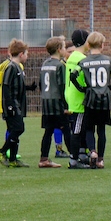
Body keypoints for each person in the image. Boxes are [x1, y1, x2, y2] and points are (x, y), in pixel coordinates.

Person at [70, 32, 111, 168]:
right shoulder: (107, 60)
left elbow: (73, 75)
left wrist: (82, 88)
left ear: (88, 45)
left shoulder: (83, 62)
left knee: (89, 128)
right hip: (104, 99)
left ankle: (92, 151)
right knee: (101, 130)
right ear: (102, 45)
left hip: (90, 98)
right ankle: (100, 159)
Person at [0, 39, 32, 168]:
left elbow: (17, 86)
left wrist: (29, 87)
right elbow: (6, 87)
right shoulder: (11, 67)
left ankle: (13, 159)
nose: (27, 56)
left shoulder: (18, 67)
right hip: (12, 105)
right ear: (21, 54)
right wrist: (10, 105)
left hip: (17, 104)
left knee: (14, 130)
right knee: (18, 128)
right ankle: (2, 151)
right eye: (26, 53)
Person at [37, 37, 69, 169]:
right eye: (64, 47)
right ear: (59, 49)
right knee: (66, 129)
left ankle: (43, 159)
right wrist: (66, 106)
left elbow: (40, 84)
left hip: (46, 102)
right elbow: (62, 86)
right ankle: (75, 158)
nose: (65, 50)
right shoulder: (60, 65)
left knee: (48, 131)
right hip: (57, 102)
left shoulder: (45, 64)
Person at [65, 29, 90, 169]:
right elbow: (81, 79)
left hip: (71, 95)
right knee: (77, 129)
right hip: (78, 98)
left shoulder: (72, 56)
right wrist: (85, 88)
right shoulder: (81, 59)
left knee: (79, 127)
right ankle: (73, 160)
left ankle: (81, 154)